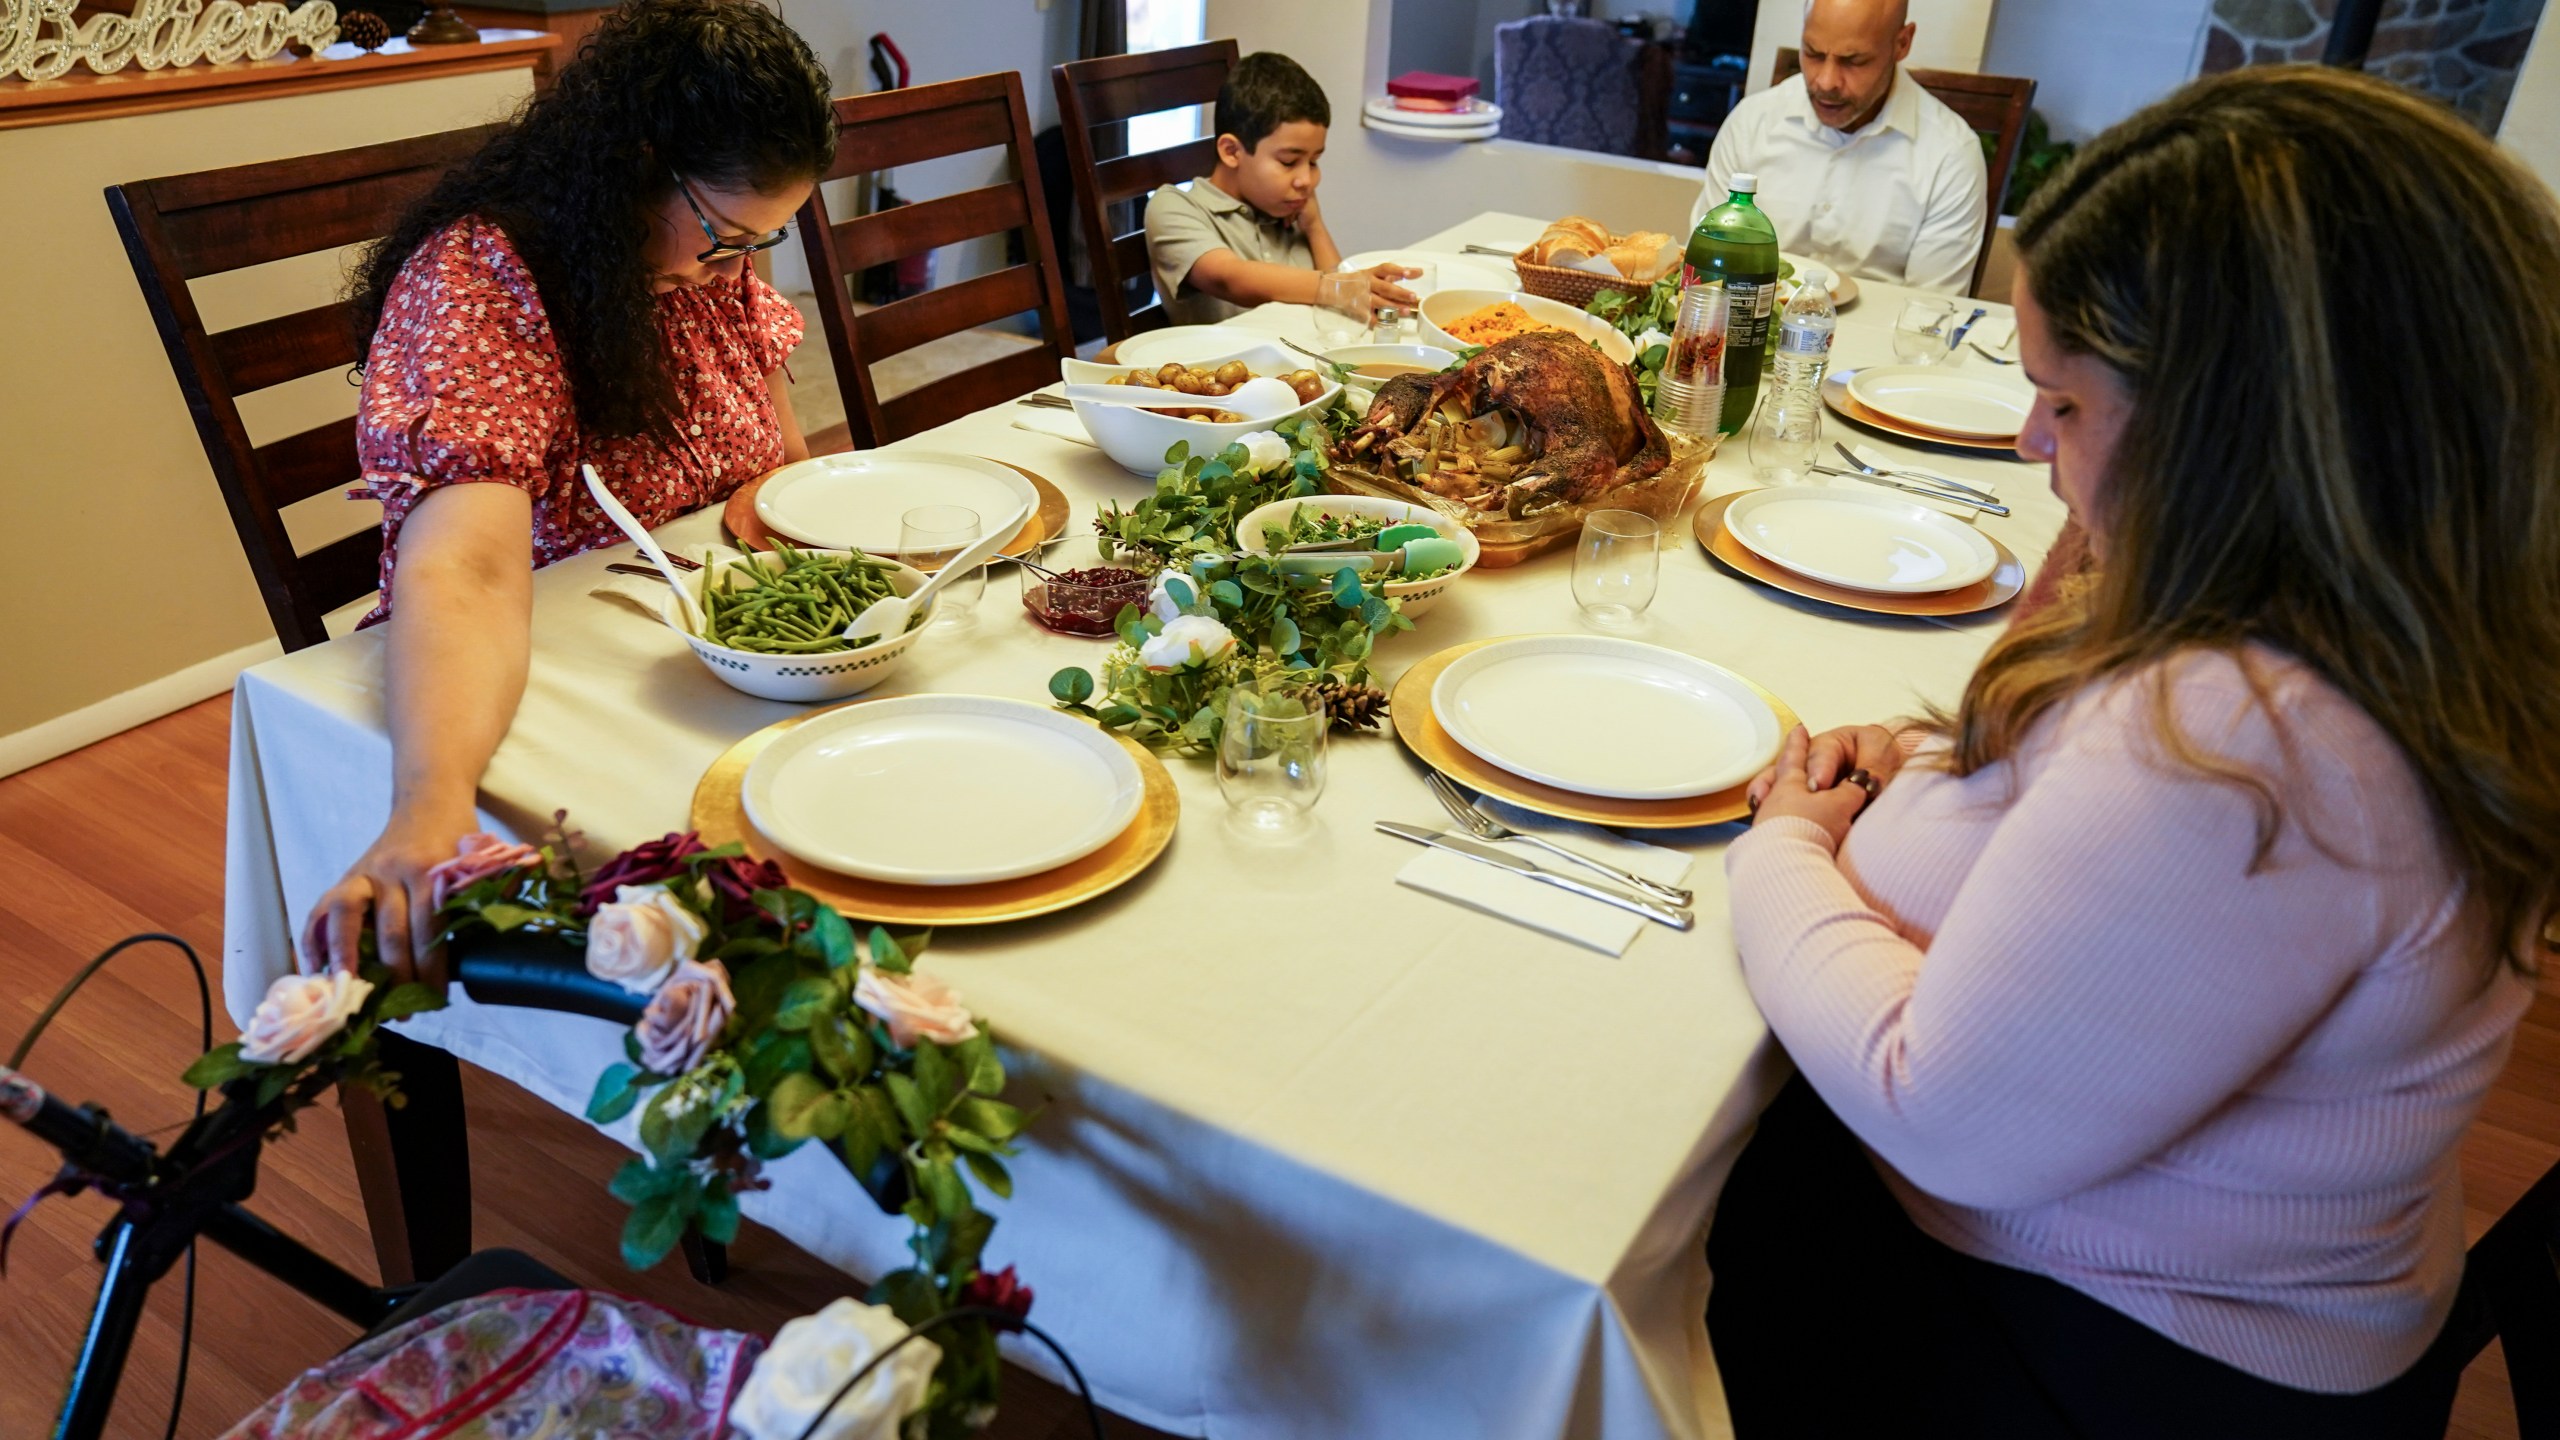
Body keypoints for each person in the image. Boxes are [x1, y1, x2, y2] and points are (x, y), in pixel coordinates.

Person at [1708, 66, 2560, 1438]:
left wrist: (1787, 849)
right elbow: (2085, 809)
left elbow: (1934, 1110)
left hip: (2117, 1359)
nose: (2036, 441)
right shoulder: (2371, 621)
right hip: (2173, 1279)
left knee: (1633, 1181)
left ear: (2240, 434)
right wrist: (1932, 772)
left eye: (2070, 404)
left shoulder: (2264, 737)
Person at [300, 0, 836, 979]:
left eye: (766, 243)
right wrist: (428, 805)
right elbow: (465, 568)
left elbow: (780, 468)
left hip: (711, 651)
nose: (737, 270)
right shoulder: (486, 277)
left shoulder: (700, 267)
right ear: (634, 162)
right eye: (725, 238)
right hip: (541, 667)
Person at [1691, 0, 1987, 294]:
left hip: (1876, 335)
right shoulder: (1752, 122)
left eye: (1853, 61)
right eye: (1813, 53)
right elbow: (1706, 269)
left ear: (1902, 43)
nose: (1826, 81)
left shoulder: (1951, 154)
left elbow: (1929, 314)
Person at [1144, 52, 1416, 326]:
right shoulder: (1174, 207)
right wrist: (1340, 287)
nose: (1306, 180)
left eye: (1313, 162)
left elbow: (1343, 310)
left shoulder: (1288, 207)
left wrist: (1315, 227)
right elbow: (1230, 279)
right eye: (1289, 162)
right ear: (1231, 152)